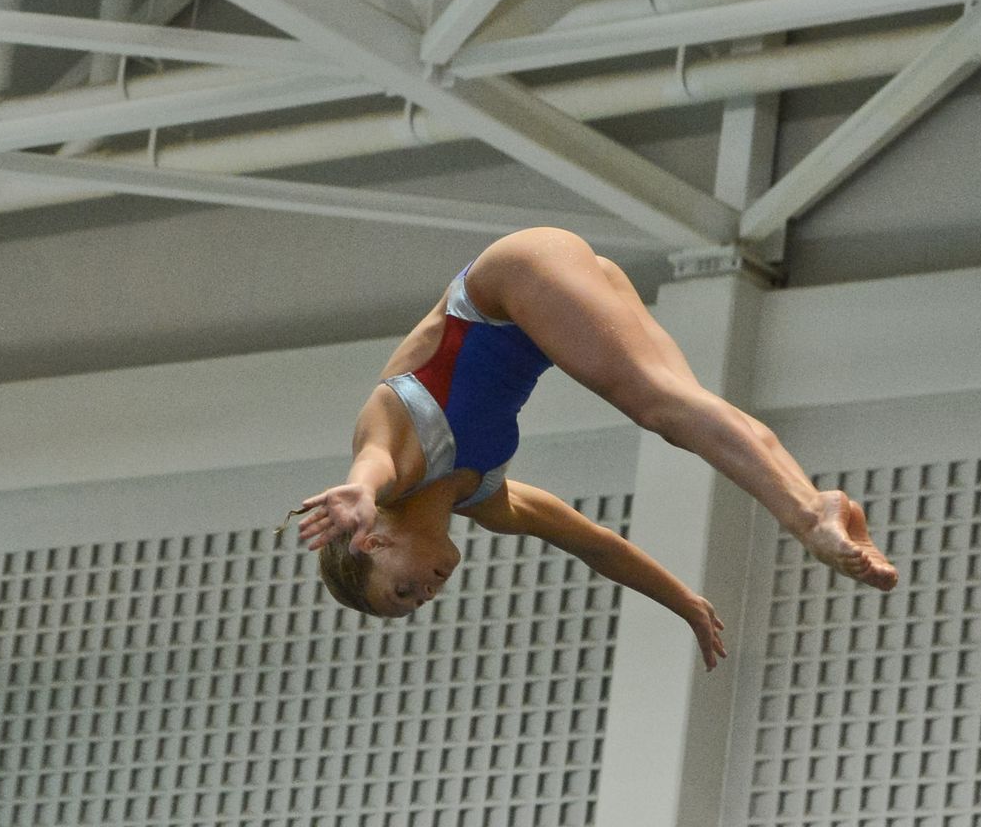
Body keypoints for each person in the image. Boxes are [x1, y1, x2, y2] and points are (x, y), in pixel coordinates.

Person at [292, 227, 896, 667]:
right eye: (419, 603)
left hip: (510, 279)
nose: (428, 592)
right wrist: (683, 601)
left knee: (663, 406)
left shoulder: (392, 465)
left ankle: (808, 514)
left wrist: (362, 490)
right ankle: (818, 506)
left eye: (405, 589)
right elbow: (597, 546)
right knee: (683, 406)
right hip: (559, 294)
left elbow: (370, 462)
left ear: (373, 538)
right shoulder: (486, 501)